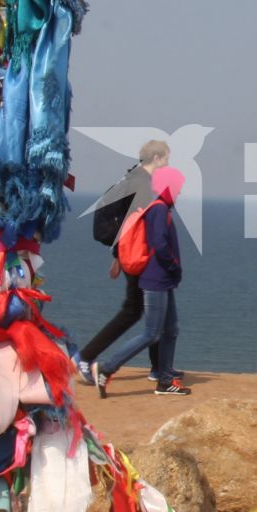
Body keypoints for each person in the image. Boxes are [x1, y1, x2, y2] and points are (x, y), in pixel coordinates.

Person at [75, 139, 168, 384]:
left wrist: (118, 255)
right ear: (156, 158)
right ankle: (85, 357)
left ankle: (159, 367)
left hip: (129, 253)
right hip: (138, 256)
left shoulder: (131, 178)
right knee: (135, 310)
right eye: (166, 158)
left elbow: (126, 221)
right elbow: (140, 224)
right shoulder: (142, 184)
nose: (167, 164)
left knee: (153, 309)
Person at [95, 164, 188, 396]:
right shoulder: (158, 210)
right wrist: (174, 266)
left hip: (163, 280)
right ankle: (107, 369)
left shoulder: (159, 208)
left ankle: (165, 380)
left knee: (172, 329)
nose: (179, 193)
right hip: (156, 279)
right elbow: (159, 244)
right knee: (152, 333)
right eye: (177, 188)